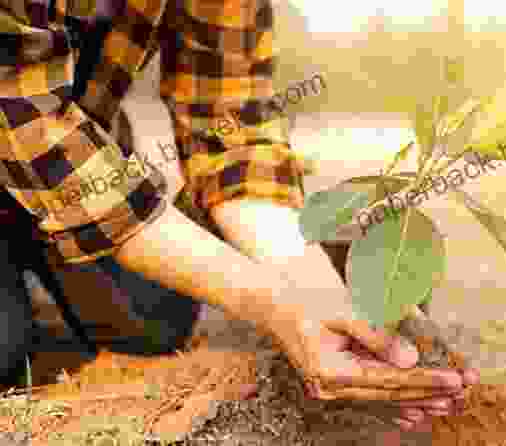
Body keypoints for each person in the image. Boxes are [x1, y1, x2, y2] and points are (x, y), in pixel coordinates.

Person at [0, 0, 479, 430]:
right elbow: (24, 114)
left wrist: (318, 293)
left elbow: (231, 129)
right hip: (35, 150)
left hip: (82, 167)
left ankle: (38, 255)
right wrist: (276, 305)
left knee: (154, 321)